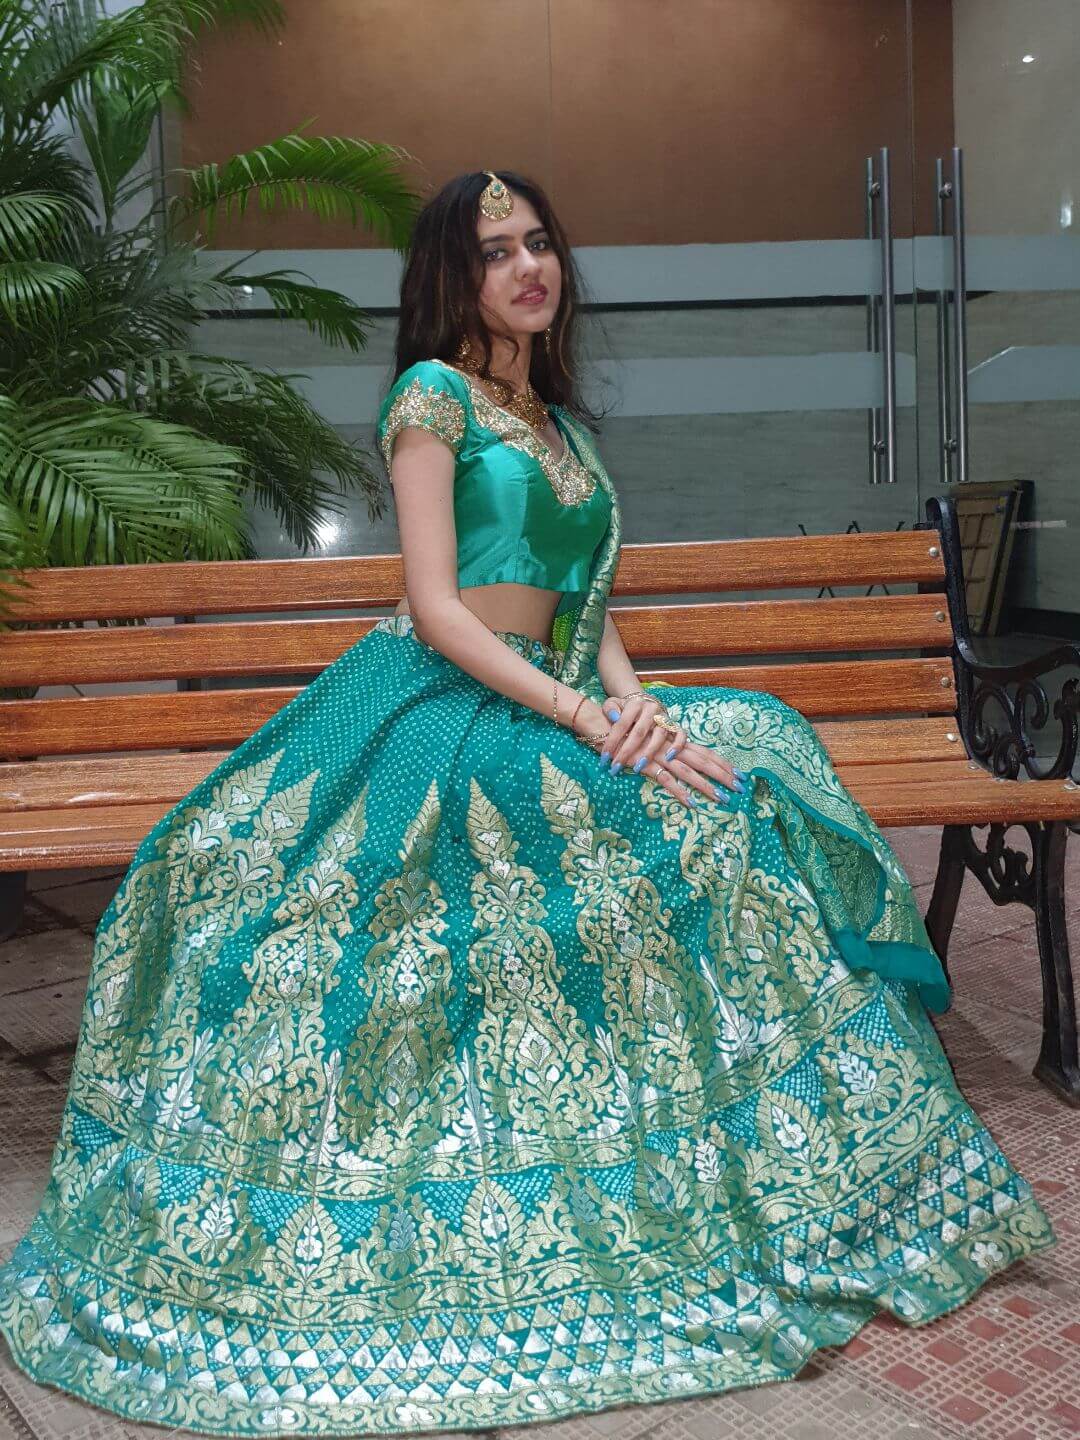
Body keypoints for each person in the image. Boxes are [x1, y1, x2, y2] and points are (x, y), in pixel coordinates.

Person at [0, 169, 1055, 1438]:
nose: (529, 267)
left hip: (557, 696)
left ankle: (806, 1167)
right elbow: (441, 610)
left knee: (747, 754)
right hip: (441, 708)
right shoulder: (431, 400)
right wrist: (582, 719)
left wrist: (638, 710)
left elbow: (591, 608)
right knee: (395, 894)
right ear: (455, 275)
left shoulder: (554, 423)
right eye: (499, 251)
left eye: (541, 243)